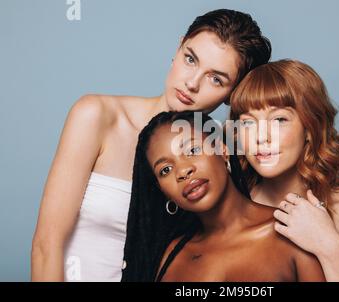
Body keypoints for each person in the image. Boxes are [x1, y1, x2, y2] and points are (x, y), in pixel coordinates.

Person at [31, 9, 271, 281]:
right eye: (190, 59)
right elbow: (46, 245)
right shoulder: (98, 115)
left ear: (232, 94)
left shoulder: (223, 151)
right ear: (178, 48)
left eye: (216, 79)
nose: (192, 83)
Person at [229, 59, 339, 281]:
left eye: (279, 119)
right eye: (248, 123)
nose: (261, 137)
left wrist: (329, 246)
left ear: (310, 128)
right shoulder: (232, 207)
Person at [121, 110, 325, 281]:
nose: (182, 171)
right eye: (165, 170)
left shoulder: (292, 231)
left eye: (192, 149)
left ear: (223, 150)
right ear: (163, 191)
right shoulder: (170, 256)